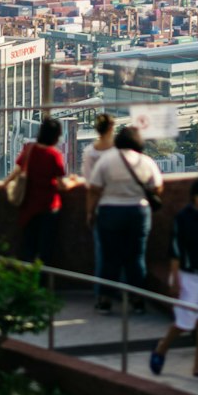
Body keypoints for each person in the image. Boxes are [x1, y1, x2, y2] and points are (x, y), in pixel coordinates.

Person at [86, 125, 163, 314]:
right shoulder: (146, 161)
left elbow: (94, 188)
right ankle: (137, 300)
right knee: (136, 258)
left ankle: (105, 300)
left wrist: (90, 212)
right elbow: (158, 187)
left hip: (110, 211)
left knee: (109, 258)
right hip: (138, 212)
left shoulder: (107, 160)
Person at [150, 177, 198, 377]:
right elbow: (176, 249)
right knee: (184, 322)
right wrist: (176, 278)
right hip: (186, 274)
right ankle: (161, 348)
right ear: (197, 197)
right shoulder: (183, 217)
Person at [0, 117, 76, 264]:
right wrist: (74, 182)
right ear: (55, 136)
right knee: (46, 250)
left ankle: (28, 282)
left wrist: (4, 183)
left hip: (29, 205)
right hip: (49, 206)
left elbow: (17, 170)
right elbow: (61, 185)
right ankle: (43, 282)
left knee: (28, 248)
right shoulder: (54, 155)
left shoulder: (29, 149)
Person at [81, 114, 115, 299]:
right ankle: (127, 293)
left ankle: (102, 294)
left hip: (102, 205)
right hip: (123, 203)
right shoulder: (119, 151)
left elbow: (89, 184)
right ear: (112, 128)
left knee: (102, 253)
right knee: (126, 253)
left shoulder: (90, 152)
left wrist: (89, 211)